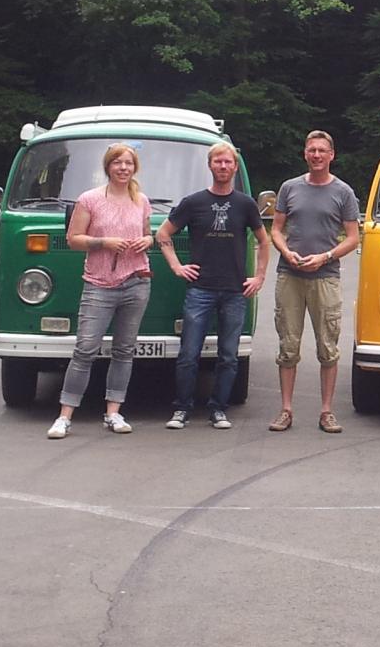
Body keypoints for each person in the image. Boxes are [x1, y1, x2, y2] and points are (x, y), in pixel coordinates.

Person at [156, 142, 270, 431]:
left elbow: (264, 240)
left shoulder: (246, 204)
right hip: (200, 289)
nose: (223, 166)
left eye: (228, 162)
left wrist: (259, 277)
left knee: (229, 356)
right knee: (188, 354)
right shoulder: (193, 203)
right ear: (210, 165)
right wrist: (176, 266)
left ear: (235, 167)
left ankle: (218, 409)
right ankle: (182, 408)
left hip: (235, 291)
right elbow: (163, 234)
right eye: (218, 161)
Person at [49, 144, 153, 439]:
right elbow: (73, 239)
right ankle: (64, 416)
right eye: (117, 163)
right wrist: (105, 243)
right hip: (99, 284)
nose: (123, 168)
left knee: (124, 350)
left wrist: (147, 241)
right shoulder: (89, 199)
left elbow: (147, 233)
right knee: (85, 349)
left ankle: (114, 412)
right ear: (108, 167)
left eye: (128, 163)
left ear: (135, 168)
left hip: (137, 281)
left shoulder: (141, 200)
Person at [268, 129, 361, 433]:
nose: (317, 155)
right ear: (305, 154)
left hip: (325, 277)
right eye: (312, 150)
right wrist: (286, 252)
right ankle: (285, 410)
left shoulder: (343, 192)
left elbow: (353, 238)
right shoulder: (289, 188)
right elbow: (276, 229)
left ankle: (326, 412)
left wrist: (326, 256)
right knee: (288, 345)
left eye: (322, 150)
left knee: (328, 347)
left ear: (332, 155)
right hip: (290, 276)